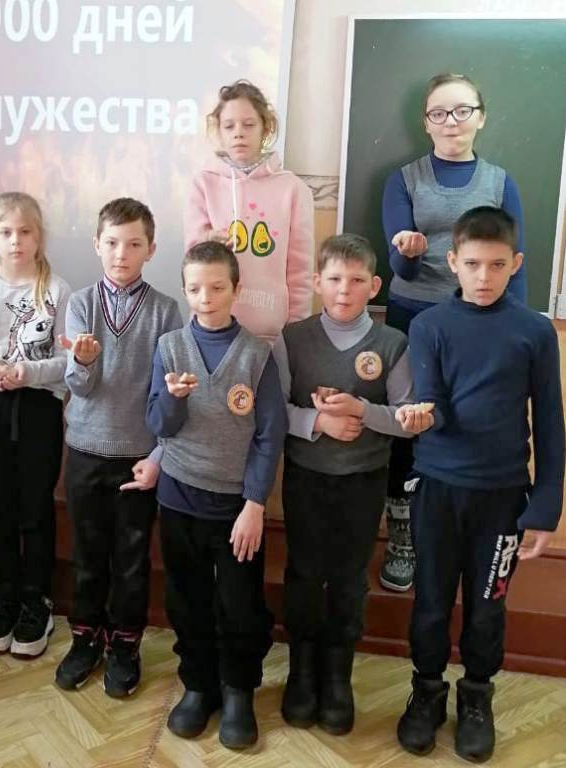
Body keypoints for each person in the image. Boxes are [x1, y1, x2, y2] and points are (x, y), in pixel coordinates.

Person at [396, 207, 563, 763]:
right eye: (472, 264)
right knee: (431, 600)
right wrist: (422, 416)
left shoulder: (535, 331)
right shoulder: (429, 327)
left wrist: (545, 506)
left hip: (503, 497)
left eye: (496, 264)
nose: (484, 276)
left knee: (488, 606)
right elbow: (435, 403)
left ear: (516, 263)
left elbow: (550, 421)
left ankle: (475, 697)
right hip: (438, 489)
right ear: (452, 262)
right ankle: (426, 692)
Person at [271, 233, 433, 735]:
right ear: (316, 282)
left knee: (348, 578)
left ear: (374, 286)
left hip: (363, 482)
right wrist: (318, 422)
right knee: (303, 573)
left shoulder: (392, 344)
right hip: (306, 477)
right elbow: (274, 411)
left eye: (357, 279)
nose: (345, 289)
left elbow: (406, 419)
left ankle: (337, 676)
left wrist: (361, 410)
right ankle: (302, 672)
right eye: (335, 279)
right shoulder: (292, 338)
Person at [379, 73, 528, 592]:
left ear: (480, 117)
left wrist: (513, 328)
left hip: (480, 323)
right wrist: (408, 251)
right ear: (425, 123)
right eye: (439, 113)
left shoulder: (500, 183)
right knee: (409, 422)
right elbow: (399, 265)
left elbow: (516, 263)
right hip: (414, 319)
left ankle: (453, 531)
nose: (451, 122)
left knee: (464, 419)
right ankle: (403, 533)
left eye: (462, 110)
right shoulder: (404, 180)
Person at [147, 241, 287, 749]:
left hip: (234, 509)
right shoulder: (169, 347)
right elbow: (157, 424)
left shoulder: (256, 354)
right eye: (194, 288)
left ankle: (237, 690)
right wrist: (174, 400)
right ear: (185, 291)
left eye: (216, 287)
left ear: (235, 289)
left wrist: (254, 504)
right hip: (178, 498)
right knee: (187, 600)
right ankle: (198, 685)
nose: (205, 298)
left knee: (239, 604)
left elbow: (270, 434)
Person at [55, 197, 182, 697]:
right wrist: (84, 361)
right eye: (111, 243)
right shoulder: (81, 304)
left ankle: (125, 644)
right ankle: (84, 638)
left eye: (133, 244)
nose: (121, 254)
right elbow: (79, 387)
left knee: (131, 557)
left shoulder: (167, 311)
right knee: (87, 553)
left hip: (137, 458)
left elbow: (168, 397)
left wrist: (158, 457)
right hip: (85, 450)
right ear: (96, 244)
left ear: (151, 249)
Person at [0, 191, 70, 659]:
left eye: (25, 232)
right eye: (6, 232)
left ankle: (36, 601)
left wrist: (27, 372)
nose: (16, 241)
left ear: (39, 237)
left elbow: (65, 361)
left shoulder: (57, 289)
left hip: (38, 410)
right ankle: (4, 599)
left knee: (35, 508)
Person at [184, 78, 314, 342]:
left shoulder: (293, 189)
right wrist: (208, 240)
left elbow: (300, 270)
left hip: (271, 334)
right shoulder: (203, 184)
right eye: (229, 126)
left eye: (249, 124)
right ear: (219, 130)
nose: (238, 133)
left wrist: (296, 330)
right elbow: (192, 259)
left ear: (266, 127)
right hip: (212, 331)